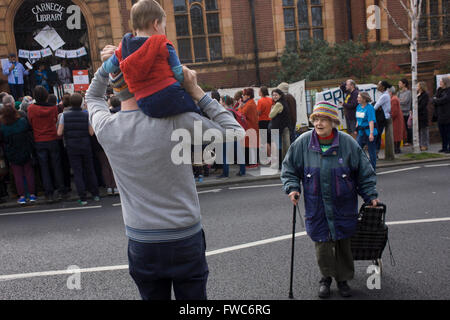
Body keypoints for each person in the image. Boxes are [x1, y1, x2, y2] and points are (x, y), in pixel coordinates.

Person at [86, 45, 245, 300]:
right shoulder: (176, 121)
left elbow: (92, 98)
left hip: (142, 241)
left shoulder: (107, 127)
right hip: (184, 237)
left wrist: (106, 67)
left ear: (118, 89)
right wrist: (197, 92)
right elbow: (236, 132)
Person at [281, 101, 379, 299]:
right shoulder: (303, 143)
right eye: (315, 119)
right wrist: (292, 188)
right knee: (322, 244)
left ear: (333, 122)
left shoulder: (347, 143)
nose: (319, 123)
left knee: (343, 243)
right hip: (317, 206)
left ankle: (343, 279)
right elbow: (289, 168)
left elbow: (364, 171)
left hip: (343, 205)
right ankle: (326, 277)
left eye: (324, 119)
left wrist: (370, 195)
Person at [102, 0, 199, 119]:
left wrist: (112, 55)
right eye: (164, 26)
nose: (164, 30)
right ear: (156, 24)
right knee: (196, 111)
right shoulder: (163, 43)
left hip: (145, 103)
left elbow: (108, 67)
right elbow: (178, 72)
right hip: (170, 94)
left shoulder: (124, 46)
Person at [57, 93, 99, 205]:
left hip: (72, 146)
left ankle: (83, 197)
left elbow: (59, 132)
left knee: (77, 171)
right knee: (90, 169)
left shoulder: (64, 116)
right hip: (85, 145)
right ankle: (95, 194)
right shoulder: (86, 115)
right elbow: (91, 132)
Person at [27, 85, 67, 202]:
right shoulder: (53, 108)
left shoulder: (31, 109)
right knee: (56, 165)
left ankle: (48, 193)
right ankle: (61, 190)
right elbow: (55, 120)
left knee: (44, 168)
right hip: (52, 138)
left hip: (39, 140)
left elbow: (30, 122)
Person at [0, 102, 36, 204]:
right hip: (25, 150)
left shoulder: (3, 127)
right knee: (29, 173)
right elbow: (30, 130)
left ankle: (22, 196)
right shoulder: (23, 122)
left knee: (18, 175)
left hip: (12, 153)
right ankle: (32, 195)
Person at [355, 92, 378, 169]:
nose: (357, 98)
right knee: (357, 149)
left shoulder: (370, 108)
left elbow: (371, 121)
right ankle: (365, 165)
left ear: (364, 99)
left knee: (371, 151)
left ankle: (372, 168)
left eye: (359, 97)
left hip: (369, 132)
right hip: (361, 132)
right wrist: (356, 128)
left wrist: (371, 134)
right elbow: (358, 119)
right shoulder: (358, 106)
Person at [270, 89, 291, 169]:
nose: (274, 96)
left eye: (276, 95)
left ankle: (278, 164)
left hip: (277, 127)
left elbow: (270, 115)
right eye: (273, 95)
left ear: (280, 95)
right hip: (283, 127)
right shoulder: (284, 102)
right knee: (284, 146)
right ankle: (282, 164)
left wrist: (272, 108)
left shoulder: (278, 104)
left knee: (277, 146)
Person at [239, 88, 259, 167]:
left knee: (250, 146)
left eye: (244, 95)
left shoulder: (249, 104)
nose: (242, 96)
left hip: (250, 127)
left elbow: (241, 114)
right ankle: (253, 162)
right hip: (252, 126)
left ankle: (252, 163)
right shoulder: (251, 103)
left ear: (248, 96)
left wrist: (240, 106)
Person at [374, 81, 393, 158]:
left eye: (379, 85)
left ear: (383, 87)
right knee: (377, 135)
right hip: (383, 117)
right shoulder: (384, 95)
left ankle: (376, 153)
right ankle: (376, 152)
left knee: (377, 135)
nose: (377, 86)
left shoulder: (384, 96)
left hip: (382, 118)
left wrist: (378, 107)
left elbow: (375, 107)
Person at [432, 76, 450, 153]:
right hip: (439, 115)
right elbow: (433, 99)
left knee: (448, 132)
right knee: (442, 133)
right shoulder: (439, 90)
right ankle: (444, 147)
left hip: (447, 114)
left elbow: (444, 100)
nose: (440, 83)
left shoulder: (448, 90)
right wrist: (436, 100)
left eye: (441, 81)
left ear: (445, 82)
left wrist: (437, 100)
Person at [388, 87, 405, 154]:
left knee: (396, 134)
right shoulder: (395, 98)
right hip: (398, 118)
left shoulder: (393, 99)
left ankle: (396, 149)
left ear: (390, 92)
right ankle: (397, 148)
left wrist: (390, 116)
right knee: (398, 134)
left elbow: (394, 111)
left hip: (396, 119)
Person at [398, 79, 412, 146]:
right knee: (401, 127)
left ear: (404, 84)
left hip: (406, 112)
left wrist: (399, 100)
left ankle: (409, 141)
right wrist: (400, 100)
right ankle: (402, 141)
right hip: (400, 112)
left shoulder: (408, 92)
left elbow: (405, 101)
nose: (399, 84)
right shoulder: (399, 92)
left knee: (407, 127)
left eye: (400, 83)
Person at [417, 82, 430, 151]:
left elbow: (423, 105)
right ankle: (419, 144)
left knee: (424, 130)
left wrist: (416, 108)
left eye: (418, 86)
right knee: (419, 131)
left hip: (423, 114)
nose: (417, 87)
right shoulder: (417, 94)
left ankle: (425, 145)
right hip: (417, 115)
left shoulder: (425, 95)